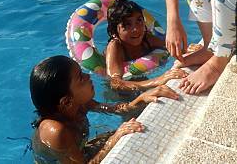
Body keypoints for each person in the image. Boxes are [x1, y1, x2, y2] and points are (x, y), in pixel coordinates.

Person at [30, 55, 179, 164]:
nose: (88, 76)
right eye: (81, 78)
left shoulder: (79, 103)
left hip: (78, 150)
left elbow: (116, 109)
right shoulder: (55, 132)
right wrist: (114, 139)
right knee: (118, 135)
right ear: (66, 101)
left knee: (133, 127)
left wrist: (141, 98)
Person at [104, 0, 187, 91]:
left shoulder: (147, 39)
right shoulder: (115, 46)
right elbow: (115, 82)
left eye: (139, 20)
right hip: (119, 90)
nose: (136, 29)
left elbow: (172, 46)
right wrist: (156, 80)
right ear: (114, 31)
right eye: (127, 24)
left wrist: (187, 49)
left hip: (138, 76)